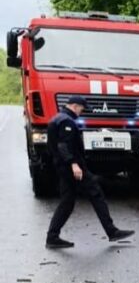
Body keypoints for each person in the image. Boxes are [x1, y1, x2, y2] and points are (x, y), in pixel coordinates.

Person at [45, 95, 134, 248]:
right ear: (74, 105)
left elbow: (53, 146)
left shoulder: (57, 118)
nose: (81, 111)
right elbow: (63, 146)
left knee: (67, 202)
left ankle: (52, 237)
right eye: (81, 108)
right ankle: (111, 231)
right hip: (72, 167)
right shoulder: (66, 121)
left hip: (62, 166)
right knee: (96, 192)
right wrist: (73, 164)